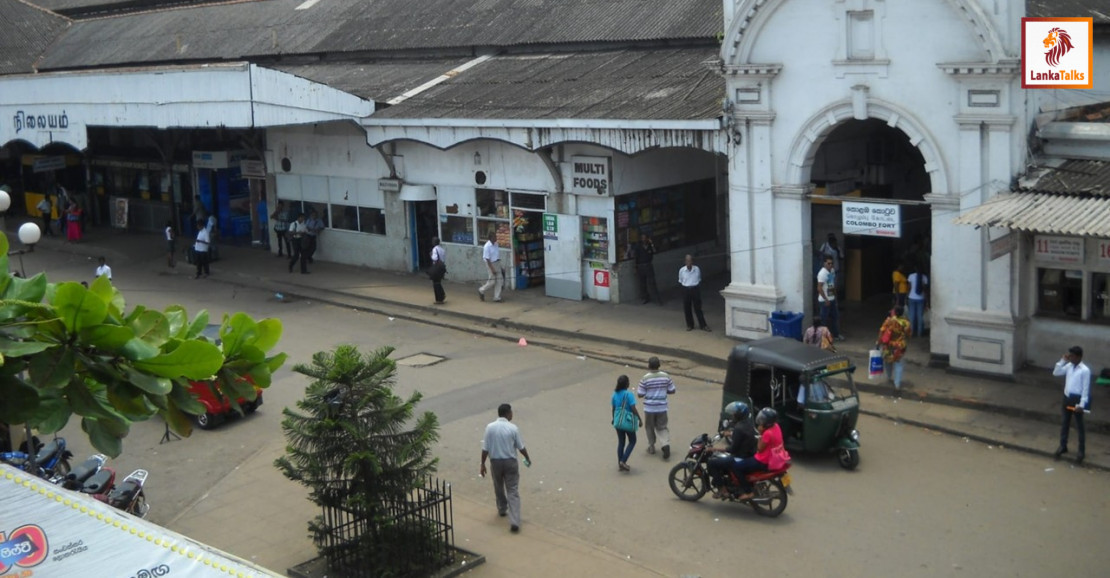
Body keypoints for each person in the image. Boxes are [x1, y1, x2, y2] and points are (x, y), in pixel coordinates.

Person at [479, 403, 531, 533]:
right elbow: (521, 447)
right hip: (510, 462)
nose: (512, 414)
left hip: (495, 462)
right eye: (511, 412)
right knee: (512, 490)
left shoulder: (489, 428)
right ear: (508, 414)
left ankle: (502, 508)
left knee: (498, 486)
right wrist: (527, 458)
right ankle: (514, 521)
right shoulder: (513, 428)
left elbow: (485, 448)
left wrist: (482, 464)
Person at [730, 408, 790, 501]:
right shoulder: (776, 426)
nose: (760, 421)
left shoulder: (767, 434)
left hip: (763, 460)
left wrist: (761, 433)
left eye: (763, 419)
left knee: (736, 467)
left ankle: (748, 491)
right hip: (775, 456)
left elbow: (759, 448)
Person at [707, 401, 758, 497]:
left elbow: (732, 449)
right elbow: (744, 435)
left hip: (741, 457)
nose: (732, 416)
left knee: (711, 463)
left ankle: (722, 489)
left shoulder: (739, 428)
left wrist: (714, 449)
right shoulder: (748, 423)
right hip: (749, 454)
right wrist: (730, 433)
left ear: (739, 415)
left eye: (734, 414)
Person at [1053, 346, 1091, 464]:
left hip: (1077, 399)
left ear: (1079, 357)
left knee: (1079, 426)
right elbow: (1056, 372)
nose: (1071, 358)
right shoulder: (1069, 366)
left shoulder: (1085, 370)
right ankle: (1063, 445)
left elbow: (1086, 389)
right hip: (1067, 397)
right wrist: (1062, 361)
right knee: (1065, 423)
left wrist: (1082, 404)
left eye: (1073, 356)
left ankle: (1081, 450)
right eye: (1070, 356)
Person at [637, 356, 676, 459]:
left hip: (649, 408)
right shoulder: (666, 376)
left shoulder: (645, 378)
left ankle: (651, 446)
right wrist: (663, 391)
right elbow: (672, 390)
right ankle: (665, 444)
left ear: (649, 366)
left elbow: (640, 394)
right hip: (662, 407)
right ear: (659, 365)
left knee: (649, 427)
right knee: (662, 427)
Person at [611, 375, 642, 472]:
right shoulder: (629, 395)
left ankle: (620, 462)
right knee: (632, 441)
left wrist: (614, 419)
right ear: (626, 384)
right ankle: (623, 461)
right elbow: (633, 408)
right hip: (627, 422)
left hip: (618, 422)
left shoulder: (614, 395)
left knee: (621, 442)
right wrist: (639, 419)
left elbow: (614, 409)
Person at [876, 306, 911, 390]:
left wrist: (878, 342)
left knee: (888, 361)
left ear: (894, 312)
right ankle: (897, 384)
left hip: (888, 345)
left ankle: (889, 378)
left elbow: (882, 331)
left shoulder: (889, 321)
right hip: (900, 346)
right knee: (898, 364)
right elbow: (908, 335)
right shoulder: (906, 323)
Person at [628, 235, 663, 305]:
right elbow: (635, 257)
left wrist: (652, 243)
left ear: (647, 239)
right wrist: (635, 267)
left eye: (645, 238)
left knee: (652, 282)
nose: (643, 240)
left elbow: (655, 251)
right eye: (642, 238)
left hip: (648, 265)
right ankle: (645, 298)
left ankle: (657, 299)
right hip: (641, 266)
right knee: (642, 283)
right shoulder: (638, 246)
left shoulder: (650, 246)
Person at [678, 254, 709, 332]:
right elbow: (681, 280)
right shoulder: (682, 270)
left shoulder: (697, 269)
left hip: (695, 289)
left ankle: (703, 325)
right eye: (687, 261)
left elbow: (699, 279)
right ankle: (690, 325)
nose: (689, 262)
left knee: (698, 308)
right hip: (686, 289)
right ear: (685, 262)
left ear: (692, 261)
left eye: (690, 260)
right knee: (687, 308)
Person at [817, 256, 842, 340]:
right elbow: (819, 288)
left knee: (835, 317)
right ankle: (823, 337)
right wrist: (826, 299)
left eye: (831, 263)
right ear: (824, 263)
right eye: (828, 263)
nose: (830, 265)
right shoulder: (822, 273)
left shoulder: (832, 271)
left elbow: (831, 284)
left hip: (832, 298)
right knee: (824, 320)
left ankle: (836, 335)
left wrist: (834, 295)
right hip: (824, 301)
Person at [478, 231, 503, 302]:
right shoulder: (487, 246)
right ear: (491, 238)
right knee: (492, 282)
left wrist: (500, 266)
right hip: (491, 264)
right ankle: (481, 290)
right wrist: (492, 269)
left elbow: (497, 255)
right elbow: (487, 259)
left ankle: (496, 297)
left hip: (497, 262)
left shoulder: (496, 244)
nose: (496, 238)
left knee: (499, 281)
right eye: (494, 237)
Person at [907, 265, 929, 337]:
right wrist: (927, 301)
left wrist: (907, 296)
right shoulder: (924, 277)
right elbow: (925, 290)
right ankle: (919, 334)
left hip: (911, 298)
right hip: (921, 298)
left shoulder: (911, 276)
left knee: (912, 316)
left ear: (915, 269)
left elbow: (909, 288)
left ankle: (912, 333)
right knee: (920, 317)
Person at [428, 236, 448, 304]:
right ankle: (442, 295)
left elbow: (435, 259)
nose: (432, 242)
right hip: (441, 268)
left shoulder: (434, 249)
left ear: (434, 242)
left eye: (433, 241)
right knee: (438, 282)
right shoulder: (442, 249)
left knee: (435, 283)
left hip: (436, 268)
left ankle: (439, 298)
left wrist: (431, 255)